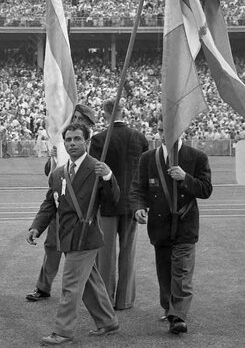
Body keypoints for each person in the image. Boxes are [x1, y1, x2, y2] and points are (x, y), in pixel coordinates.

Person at [27, 122, 120, 345]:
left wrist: (108, 177)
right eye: (68, 140)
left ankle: (63, 331)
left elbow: (112, 199)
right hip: (67, 237)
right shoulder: (59, 173)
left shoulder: (97, 169)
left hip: (86, 237)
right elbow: (50, 203)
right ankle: (108, 322)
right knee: (89, 283)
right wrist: (36, 227)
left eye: (77, 139)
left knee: (70, 286)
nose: (72, 143)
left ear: (86, 142)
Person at [130, 120, 212, 335]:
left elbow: (206, 190)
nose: (164, 133)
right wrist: (139, 208)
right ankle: (169, 308)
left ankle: (178, 316)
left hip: (185, 225)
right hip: (160, 226)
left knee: (182, 272)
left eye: (169, 129)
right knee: (164, 272)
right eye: (160, 130)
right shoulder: (148, 158)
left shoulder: (197, 157)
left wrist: (186, 178)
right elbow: (139, 189)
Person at [26, 104, 97, 302]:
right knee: (52, 246)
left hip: (82, 211)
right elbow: (51, 173)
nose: (75, 120)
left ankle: (93, 295)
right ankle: (43, 287)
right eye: (75, 116)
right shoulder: (64, 138)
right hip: (61, 203)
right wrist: (52, 160)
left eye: (80, 118)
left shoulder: (94, 141)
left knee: (84, 256)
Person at [90, 99, 148, 310]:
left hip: (107, 203)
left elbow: (95, 174)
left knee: (105, 256)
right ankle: (125, 300)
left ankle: (105, 298)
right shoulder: (139, 138)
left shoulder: (99, 139)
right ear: (124, 111)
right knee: (128, 252)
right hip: (132, 203)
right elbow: (144, 173)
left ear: (105, 113)